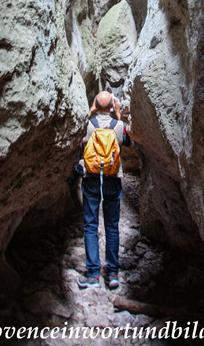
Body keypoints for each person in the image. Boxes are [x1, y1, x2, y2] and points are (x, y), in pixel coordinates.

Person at [77, 90, 131, 290]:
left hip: (91, 178)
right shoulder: (119, 126)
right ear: (111, 106)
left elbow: (80, 141)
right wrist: (117, 113)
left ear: (94, 105)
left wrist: (90, 110)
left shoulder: (89, 125)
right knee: (112, 225)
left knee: (91, 225)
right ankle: (113, 273)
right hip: (112, 178)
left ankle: (93, 275)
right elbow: (126, 141)